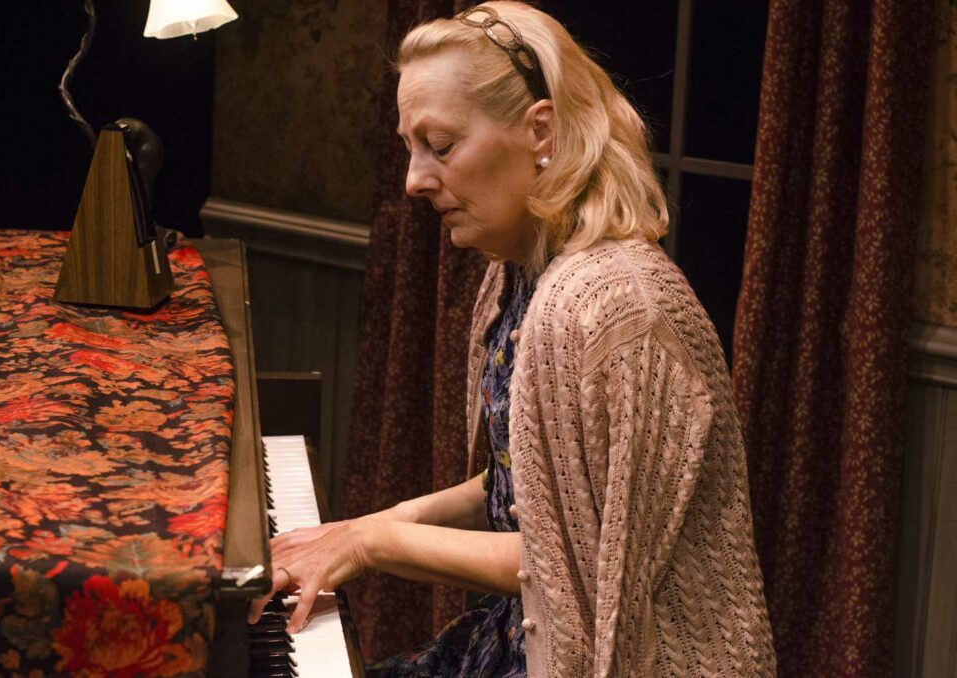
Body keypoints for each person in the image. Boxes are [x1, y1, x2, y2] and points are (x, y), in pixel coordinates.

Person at [249, 2, 776, 675]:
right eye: (410, 148)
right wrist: (363, 527)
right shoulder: (516, 275)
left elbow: (572, 564)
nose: (414, 180)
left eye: (439, 147)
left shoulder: (611, 306)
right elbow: (527, 480)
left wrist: (376, 542)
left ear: (540, 131)